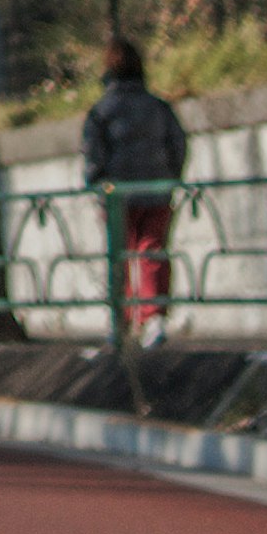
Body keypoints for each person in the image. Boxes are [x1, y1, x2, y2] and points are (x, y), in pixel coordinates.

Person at [81, 35, 188, 333]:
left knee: (121, 254)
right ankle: (154, 316)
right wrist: (170, 177)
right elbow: (177, 144)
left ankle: (122, 317)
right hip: (156, 191)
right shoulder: (158, 107)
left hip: (118, 196)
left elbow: (92, 153)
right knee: (152, 249)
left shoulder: (101, 111)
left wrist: (97, 185)